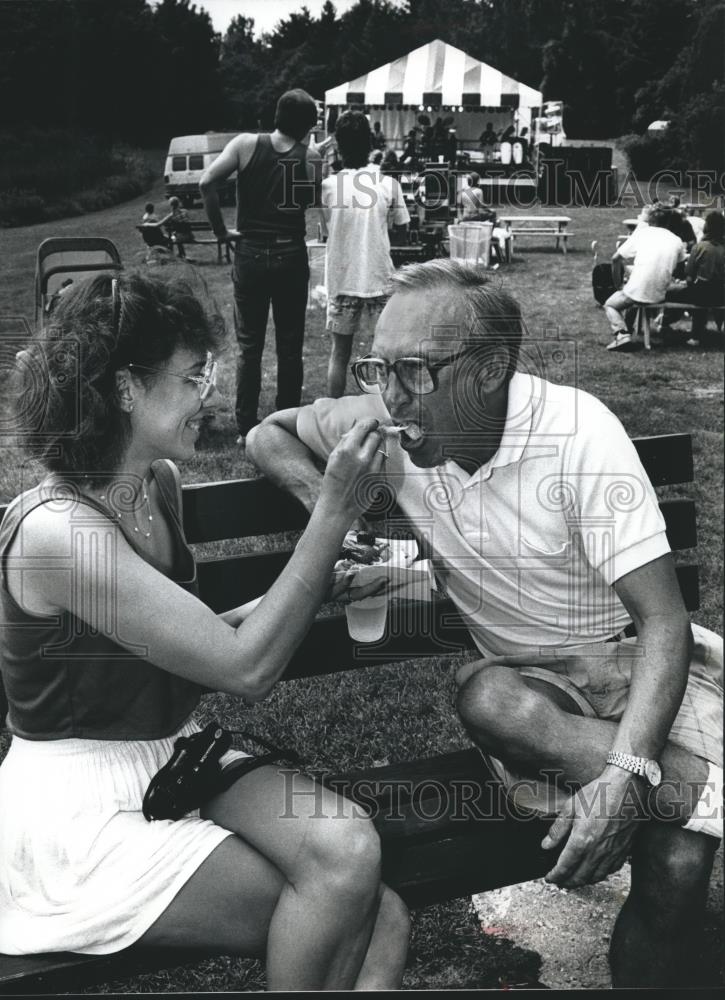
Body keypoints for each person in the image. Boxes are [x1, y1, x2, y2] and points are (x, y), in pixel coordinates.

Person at [246, 259, 723, 990]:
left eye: (413, 370)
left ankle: (688, 802)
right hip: (535, 696)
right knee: (489, 698)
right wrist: (327, 501)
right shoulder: (390, 423)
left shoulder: (575, 435)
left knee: (677, 861)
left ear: (491, 368)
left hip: (638, 668)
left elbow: (662, 620)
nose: (390, 394)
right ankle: (704, 794)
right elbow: (268, 433)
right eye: (378, 368)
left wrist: (627, 776)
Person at [0, 271, 410, 989]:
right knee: (363, 913)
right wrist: (333, 512)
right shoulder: (59, 532)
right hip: (78, 809)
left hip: (170, 756)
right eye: (195, 376)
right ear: (126, 387)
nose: (210, 394)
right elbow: (243, 670)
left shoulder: (155, 483)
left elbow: (180, 642)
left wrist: (320, 589)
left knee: (353, 863)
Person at [199, 88, 323, 446]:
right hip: (290, 256)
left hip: (250, 253)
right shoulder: (311, 157)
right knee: (289, 346)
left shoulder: (244, 144)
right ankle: (285, 425)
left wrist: (221, 232)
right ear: (307, 125)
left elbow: (207, 182)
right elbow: (307, 200)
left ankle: (246, 427)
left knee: (249, 347)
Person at [319, 111, 409, 398]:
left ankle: (332, 416)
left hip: (342, 278)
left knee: (339, 354)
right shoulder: (388, 184)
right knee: (384, 356)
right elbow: (402, 229)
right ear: (371, 142)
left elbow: (325, 230)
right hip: (379, 277)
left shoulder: (328, 187)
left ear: (338, 146)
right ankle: (385, 412)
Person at [604, 207, 687, 351]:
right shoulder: (677, 240)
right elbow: (680, 269)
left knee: (610, 304)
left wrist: (618, 284)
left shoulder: (642, 233)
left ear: (649, 220)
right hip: (660, 293)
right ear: (668, 222)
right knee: (635, 292)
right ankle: (629, 329)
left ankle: (621, 334)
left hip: (639, 291)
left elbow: (615, 258)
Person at [663, 210, 725, 347]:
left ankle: (665, 323)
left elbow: (689, 276)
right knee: (702, 293)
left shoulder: (700, 247)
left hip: (702, 294)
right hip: (721, 294)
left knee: (675, 292)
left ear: (707, 227)